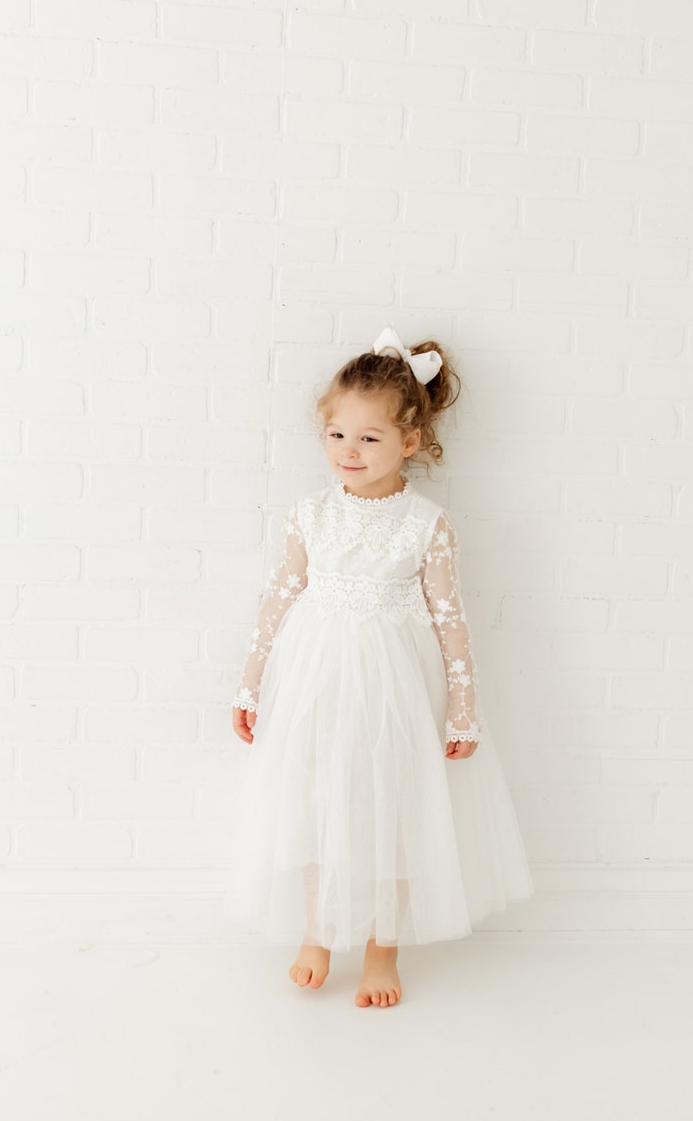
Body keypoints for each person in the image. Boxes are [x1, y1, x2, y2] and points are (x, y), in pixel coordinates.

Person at [228, 327, 534, 1008]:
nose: (349, 451)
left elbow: (451, 620)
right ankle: (317, 932)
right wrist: (250, 684)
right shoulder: (310, 515)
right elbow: (279, 597)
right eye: (337, 434)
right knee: (315, 802)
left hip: (395, 687)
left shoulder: (425, 524)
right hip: (315, 681)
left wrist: (463, 710)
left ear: (410, 441)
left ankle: (381, 949)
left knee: (391, 810)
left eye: (369, 438)